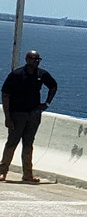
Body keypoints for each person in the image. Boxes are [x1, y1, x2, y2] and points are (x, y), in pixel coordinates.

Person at [0, 50, 57, 183]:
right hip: (17, 114)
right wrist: (7, 117)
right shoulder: (16, 74)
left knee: (28, 143)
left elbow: (53, 86)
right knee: (12, 142)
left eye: (38, 59)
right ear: (27, 59)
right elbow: (5, 94)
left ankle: (27, 174)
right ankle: (2, 172)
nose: (36, 61)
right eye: (33, 58)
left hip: (33, 114)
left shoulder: (42, 74)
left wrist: (46, 103)